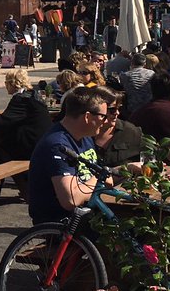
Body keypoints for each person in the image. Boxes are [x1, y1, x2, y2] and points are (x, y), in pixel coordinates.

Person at [27, 86, 112, 225]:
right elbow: (71, 199)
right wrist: (99, 179)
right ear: (87, 117)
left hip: (85, 213)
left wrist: (126, 169)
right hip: (62, 222)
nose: (106, 121)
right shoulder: (57, 145)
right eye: (103, 116)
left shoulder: (84, 136)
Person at [0, 68, 52, 162]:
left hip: (31, 145)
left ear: (12, 83)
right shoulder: (33, 94)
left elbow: (4, 121)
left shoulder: (21, 99)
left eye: (6, 82)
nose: (5, 85)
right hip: (43, 141)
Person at [119, 53, 155, 117]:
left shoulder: (125, 75)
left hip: (132, 107)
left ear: (132, 63)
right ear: (144, 64)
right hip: (148, 106)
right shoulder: (152, 73)